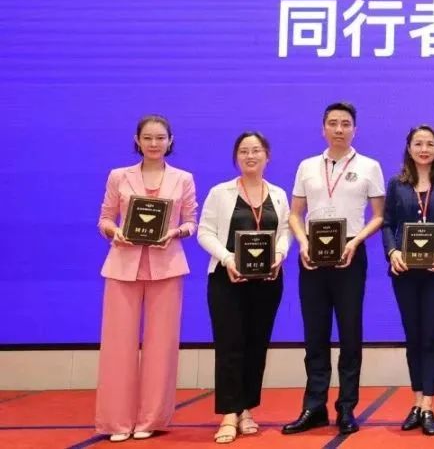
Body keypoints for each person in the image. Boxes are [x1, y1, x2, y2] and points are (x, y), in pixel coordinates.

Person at [283, 102, 385, 436]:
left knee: (350, 333)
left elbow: (379, 216)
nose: (339, 129)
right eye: (333, 123)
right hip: (313, 255)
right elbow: (295, 214)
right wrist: (303, 243)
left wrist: (356, 243)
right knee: (315, 333)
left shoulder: (369, 166)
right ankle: (314, 406)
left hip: (350, 253)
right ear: (323, 128)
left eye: (345, 123)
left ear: (355, 129)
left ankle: (346, 407)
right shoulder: (307, 166)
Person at [95, 114, 198, 442]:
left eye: (160, 138)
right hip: (122, 266)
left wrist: (176, 232)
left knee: (161, 346)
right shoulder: (118, 176)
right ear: (137, 141)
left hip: (167, 267)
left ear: (170, 141)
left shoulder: (183, 179)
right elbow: (105, 218)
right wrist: (115, 231)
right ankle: (117, 422)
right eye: (148, 138)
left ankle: (151, 419)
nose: (154, 144)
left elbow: (191, 222)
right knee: (118, 345)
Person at [197, 132, 291, 443]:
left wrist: (279, 256)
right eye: (244, 151)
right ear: (236, 157)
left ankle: (247, 409)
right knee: (229, 345)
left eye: (256, 150)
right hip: (227, 279)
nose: (250, 156)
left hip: (268, 281)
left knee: (256, 345)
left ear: (267, 156)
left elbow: (286, 231)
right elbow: (205, 232)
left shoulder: (278, 194)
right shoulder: (220, 192)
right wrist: (227, 259)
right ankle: (228, 413)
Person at [382, 124, 434, 436]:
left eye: (430, 144)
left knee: (431, 334)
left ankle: (428, 405)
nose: (424, 149)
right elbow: (387, 224)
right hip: (404, 272)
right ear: (409, 148)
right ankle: (416, 401)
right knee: (413, 335)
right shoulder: (397, 184)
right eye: (418, 143)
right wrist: (392, 252)